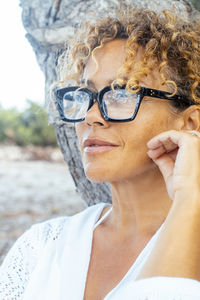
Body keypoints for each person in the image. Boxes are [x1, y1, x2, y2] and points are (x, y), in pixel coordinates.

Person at [1, 6, 200, 300]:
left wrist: (189, 201)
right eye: (85, 94)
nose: (91, 116)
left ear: (190, 122)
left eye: (122, 93)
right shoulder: (41, 248)